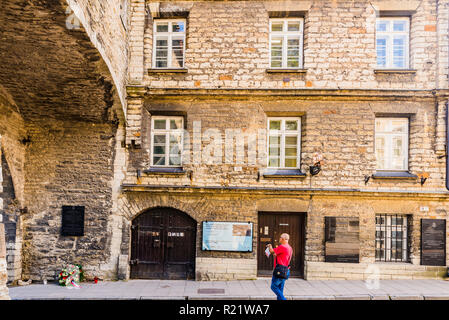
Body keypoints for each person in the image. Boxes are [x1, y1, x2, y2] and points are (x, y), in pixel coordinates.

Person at [266, 233, 293, 300]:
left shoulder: (282, 247)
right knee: (280, 289)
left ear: (283, 239)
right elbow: (278, 254)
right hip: (286, 270)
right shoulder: (289, 247)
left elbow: (272, 251)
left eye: (280, 237)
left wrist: (270, 246)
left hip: (280, 270)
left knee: (274, 286)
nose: (279, 239)